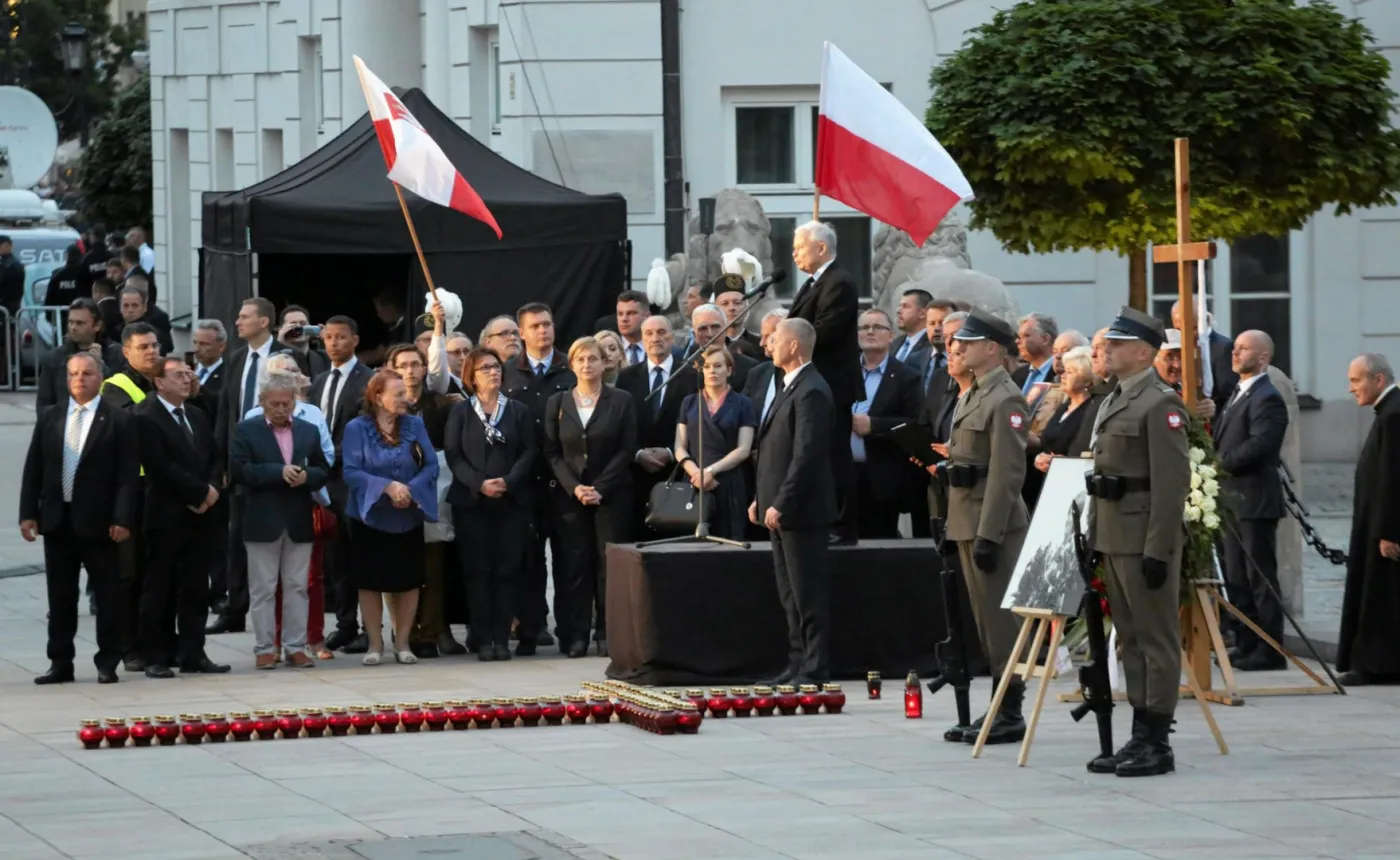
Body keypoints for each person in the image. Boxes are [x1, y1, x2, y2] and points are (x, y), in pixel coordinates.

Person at [1086, 306, 1191, 777]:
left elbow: (1171, 485)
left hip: (1143, 536)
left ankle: (1158, 740)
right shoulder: (1115, 398)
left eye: (1118, 343)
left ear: (1145, 352)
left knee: (1156, 641)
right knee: (1129, 640)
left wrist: (1158, 548)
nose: (1108, 348)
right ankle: (1139, 731)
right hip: (1113, 533)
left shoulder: (1159, 402)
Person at [21, 353, 139, 685]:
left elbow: (127, 476)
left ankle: (107, 661)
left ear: (100, 377)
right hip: (59, 520)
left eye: (86, 373)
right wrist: (28, 513)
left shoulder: (118, 420)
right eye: (73, 374)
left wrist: (122, 518)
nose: (79, 379)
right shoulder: (51, 417)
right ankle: (60, 662)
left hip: (102, 523)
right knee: (60, 597)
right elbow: (34, 467)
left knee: (107, 596)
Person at [943, 309, 1032, 745]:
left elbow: (1006, 473)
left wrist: (990, 533)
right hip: (966, 517)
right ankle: (999, 704)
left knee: (1000, 623)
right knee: (984, 620)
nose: (960, 347)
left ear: (992, 349)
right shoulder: (975, 392)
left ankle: (1010, 710)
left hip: (989, 523)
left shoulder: (1006, 398)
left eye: (970, 342)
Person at [749, 318, 837, 685]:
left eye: (777, 340)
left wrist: (782, 501)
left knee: (806, 593)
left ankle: (815, 667)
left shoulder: (812, 389)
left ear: (796, 346)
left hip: (801, 511)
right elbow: (773, 449)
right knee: (789, 594)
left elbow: (806, 455)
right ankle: (796, 662)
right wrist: (762, 498)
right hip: (778, 508)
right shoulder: (789, 385)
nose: (769, 345)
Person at [134, 357, 229, 678]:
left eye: (188, 375)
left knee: (195, 589)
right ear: (159, 382)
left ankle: (193, 652)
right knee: (159, 588)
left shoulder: (197, 415)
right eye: (178, 376)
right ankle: (156, 655)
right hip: (165, 515)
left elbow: (215, 457)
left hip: (200, 517)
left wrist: (213, 488)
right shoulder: (146, 417)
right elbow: (160, 467)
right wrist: (199, 493)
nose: (187, 380)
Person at [544, 337, 637, 658]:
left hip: (611, 498)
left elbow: (627, 448)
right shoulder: (558, 403)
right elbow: (552, 452)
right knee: (574, 567)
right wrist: (575, 488)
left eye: (593, 359)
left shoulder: (622, 400)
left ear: (604, 363)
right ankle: (577, 634)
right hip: (571, 501)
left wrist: (600, 486)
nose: (587, 365)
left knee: (608, 566)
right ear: (572, 364)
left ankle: (608, 634)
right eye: (581, 359)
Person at [230, 375, 330, 669]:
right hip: (262, 519)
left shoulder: (309, 431)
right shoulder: (246, 431)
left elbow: (324, 469)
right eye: (274, 404)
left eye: (286, 403)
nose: (280, 409)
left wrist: (306, 477)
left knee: (298, 586)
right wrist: (278, 472)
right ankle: (264, 647)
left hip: (298, 519)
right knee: (263, 588)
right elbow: (239, 470)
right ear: (262, 403)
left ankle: (295, 646)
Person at [341, 371, 440, 666]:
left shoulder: (415, 424)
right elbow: (350, 471)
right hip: (369, 516)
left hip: (408, 512)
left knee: (409, 580)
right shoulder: (356, 428)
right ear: (377, 398)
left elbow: (431, 465)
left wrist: (411, 489)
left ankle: (403, 643)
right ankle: (374, 644)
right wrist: (386, 487)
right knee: (370, 581)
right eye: (397, 394)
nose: (406, 399)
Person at [445, 347, 535, 661]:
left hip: (511, 502)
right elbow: (453, 455)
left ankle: (502, 638)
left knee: (507, 569)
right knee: (478, 571)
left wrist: (507, 481)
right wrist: (479, 483)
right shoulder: (461, 411)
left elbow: (528, 451)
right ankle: (482, 639)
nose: (493, 372)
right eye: (485, 368)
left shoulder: (517, 410)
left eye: (496, 367)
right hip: (472, 502)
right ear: (471, 375)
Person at [1213, 331, 1290, 671]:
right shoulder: (1237, 392)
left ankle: (1270, 649)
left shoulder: (1267, 396)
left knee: (1259, 578)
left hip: (1254, 499)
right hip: (1233, 501)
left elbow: (1261, 443)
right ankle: (1246, 642)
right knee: (1236, 578)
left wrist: (1219, 464)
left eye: (1243, 348)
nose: (1235, 351)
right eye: (1235, 346)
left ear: (1263, 358)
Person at [503, 303, 574, 654]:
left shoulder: (570, 368)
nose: (543, 331)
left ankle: (572, 632)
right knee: (529, 562)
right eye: (535, 326)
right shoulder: (507, 373)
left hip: (564, 480)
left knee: (568, 558)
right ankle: (531, 631)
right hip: (524, 481)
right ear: (522, 333)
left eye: (547, 324)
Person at [208, 296, 278, 637]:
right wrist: (222, 460)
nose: (237, 321)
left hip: (278, 462)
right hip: (240, 463)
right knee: (236, 539)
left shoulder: (284, 357)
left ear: (264, 322)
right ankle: (234, 609)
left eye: (244, 316)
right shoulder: (236, 360)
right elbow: (226, 412)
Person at [385, 343, 459, 658]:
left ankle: (429, 632)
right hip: (394, 494)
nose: (411, 371)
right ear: (392, 369)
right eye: (403, 365)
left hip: (433, 493)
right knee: (398, 568)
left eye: (416, 364)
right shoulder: (384, 406)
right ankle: (402, 631)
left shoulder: (442, 404)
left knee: (433, 567)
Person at [788, 222, 860, 544]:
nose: (794, 254)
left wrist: (789, 343)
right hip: (813, 383)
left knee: (834, 454)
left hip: (831, 384)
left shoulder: (839, 282)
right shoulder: (813, 283)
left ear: (820, 248)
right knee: (816, 452)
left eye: (799, 247)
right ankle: (822, 519)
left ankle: (843, 526)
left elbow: (824, 331)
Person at [308, 316, 375, 653]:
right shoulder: (319, 381)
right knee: (335, 556)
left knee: (360, 553)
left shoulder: (368, 380)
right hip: (326, 480)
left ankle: (368, 626)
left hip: (354, 477)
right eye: (328, 337)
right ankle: (345, 623)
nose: (333, 343)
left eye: (340, 337)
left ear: (355, 340)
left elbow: (366, 428)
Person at [1336, 353, 1400, 686]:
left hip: (1384, 526)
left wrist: (1389, 531)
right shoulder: (1387, 411)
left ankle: (1377, 664)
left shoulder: (1394, 415)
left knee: (1381, 596)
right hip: (1374, 522)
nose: (1351, 389)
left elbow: (1394, 476)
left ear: (1378, 380)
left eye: (1355, 380)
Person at [616, 315, 695, 533]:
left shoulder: (691, 376)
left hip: (677, 473)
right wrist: (638, 453)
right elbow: (622, 424)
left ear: (672, 338)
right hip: (635, 474)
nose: (655, 338)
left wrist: (671, 452)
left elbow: (695, 424)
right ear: (642, 339)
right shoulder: (626, 377)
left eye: (661, 332)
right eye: (649, 333)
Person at [850, 309, 922, 539]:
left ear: (891, 336)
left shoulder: (906, 376)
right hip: (843, 477)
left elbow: (915, 424)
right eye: (864, 327)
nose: (870, 331)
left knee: (878, 546)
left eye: (877, 327)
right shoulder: (843, 374)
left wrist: (875, 426)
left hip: (881, 479)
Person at [675, 345, 758, 540]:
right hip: (693, 481)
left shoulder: (743, 403)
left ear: (729, 370)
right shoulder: (689, 402)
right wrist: (696, 472)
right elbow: (679, 446)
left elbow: (744, 449)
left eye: (718, 365)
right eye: (707, 366)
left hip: (728, 480)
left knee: (728, 541)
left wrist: (710, 472)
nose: (712, 371)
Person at [1028, 346, 1103, 503]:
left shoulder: (1092, 409)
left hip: (1073, 487)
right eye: (1064, 371)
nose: (1063, 376)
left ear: (1086, 380)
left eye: (1071, 372)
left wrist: (1060, 462)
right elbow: (1048, 441)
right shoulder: (1065, 405)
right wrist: (1040, 457)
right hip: (1047, 483)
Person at [36, 298, 122, 411]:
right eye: (71, 322)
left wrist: (100, 365)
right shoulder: (54, 358)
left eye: (80, 323)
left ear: (97, 325)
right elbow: (44, 405)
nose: (73, 327)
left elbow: (117, 395)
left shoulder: (116, 354)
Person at [893, 288, 933, 362]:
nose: (898, 311)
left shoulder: (932, 345)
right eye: (900, 306)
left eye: (905, 306)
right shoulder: (895, 343)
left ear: (922, 313)